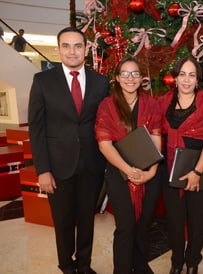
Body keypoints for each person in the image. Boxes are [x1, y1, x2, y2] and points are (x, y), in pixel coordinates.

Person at [28, 27, 109, 274]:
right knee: (62, 222)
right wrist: (43, 171)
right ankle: (66, 265)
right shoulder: (42, 81)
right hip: (58, 166)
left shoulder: (101, 82)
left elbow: (105, 124)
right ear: (58, 48)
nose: (72, 51)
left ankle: (84, 265)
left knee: (87, 220)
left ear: (86, 49)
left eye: (77, 46)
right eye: (66, 46)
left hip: (91, 166)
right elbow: (36, 129)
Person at [95, 57, 162, 274]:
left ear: (142, 78)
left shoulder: (152, 104)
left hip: (148, 175)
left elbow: (156, 139)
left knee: (143, 226)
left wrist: (151, 172)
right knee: (125, 228)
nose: (130, 78)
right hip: (119, 175)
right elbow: (105, 146)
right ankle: (122, 269)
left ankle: (141, 265)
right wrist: (128, 170)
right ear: (116, 78)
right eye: (124, 73)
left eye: (134, 73)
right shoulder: (107, 106)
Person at [157, 56, 203, 274]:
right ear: (175, 77)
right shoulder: (164, 102)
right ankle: (176, 261)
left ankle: (193, 260)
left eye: (191, 75)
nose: (186, 79)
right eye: (182, 74)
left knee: (196, 220)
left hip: (197, 170)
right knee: (174, 221)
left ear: (198, 79)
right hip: (170, 171)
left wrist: (196, 172)